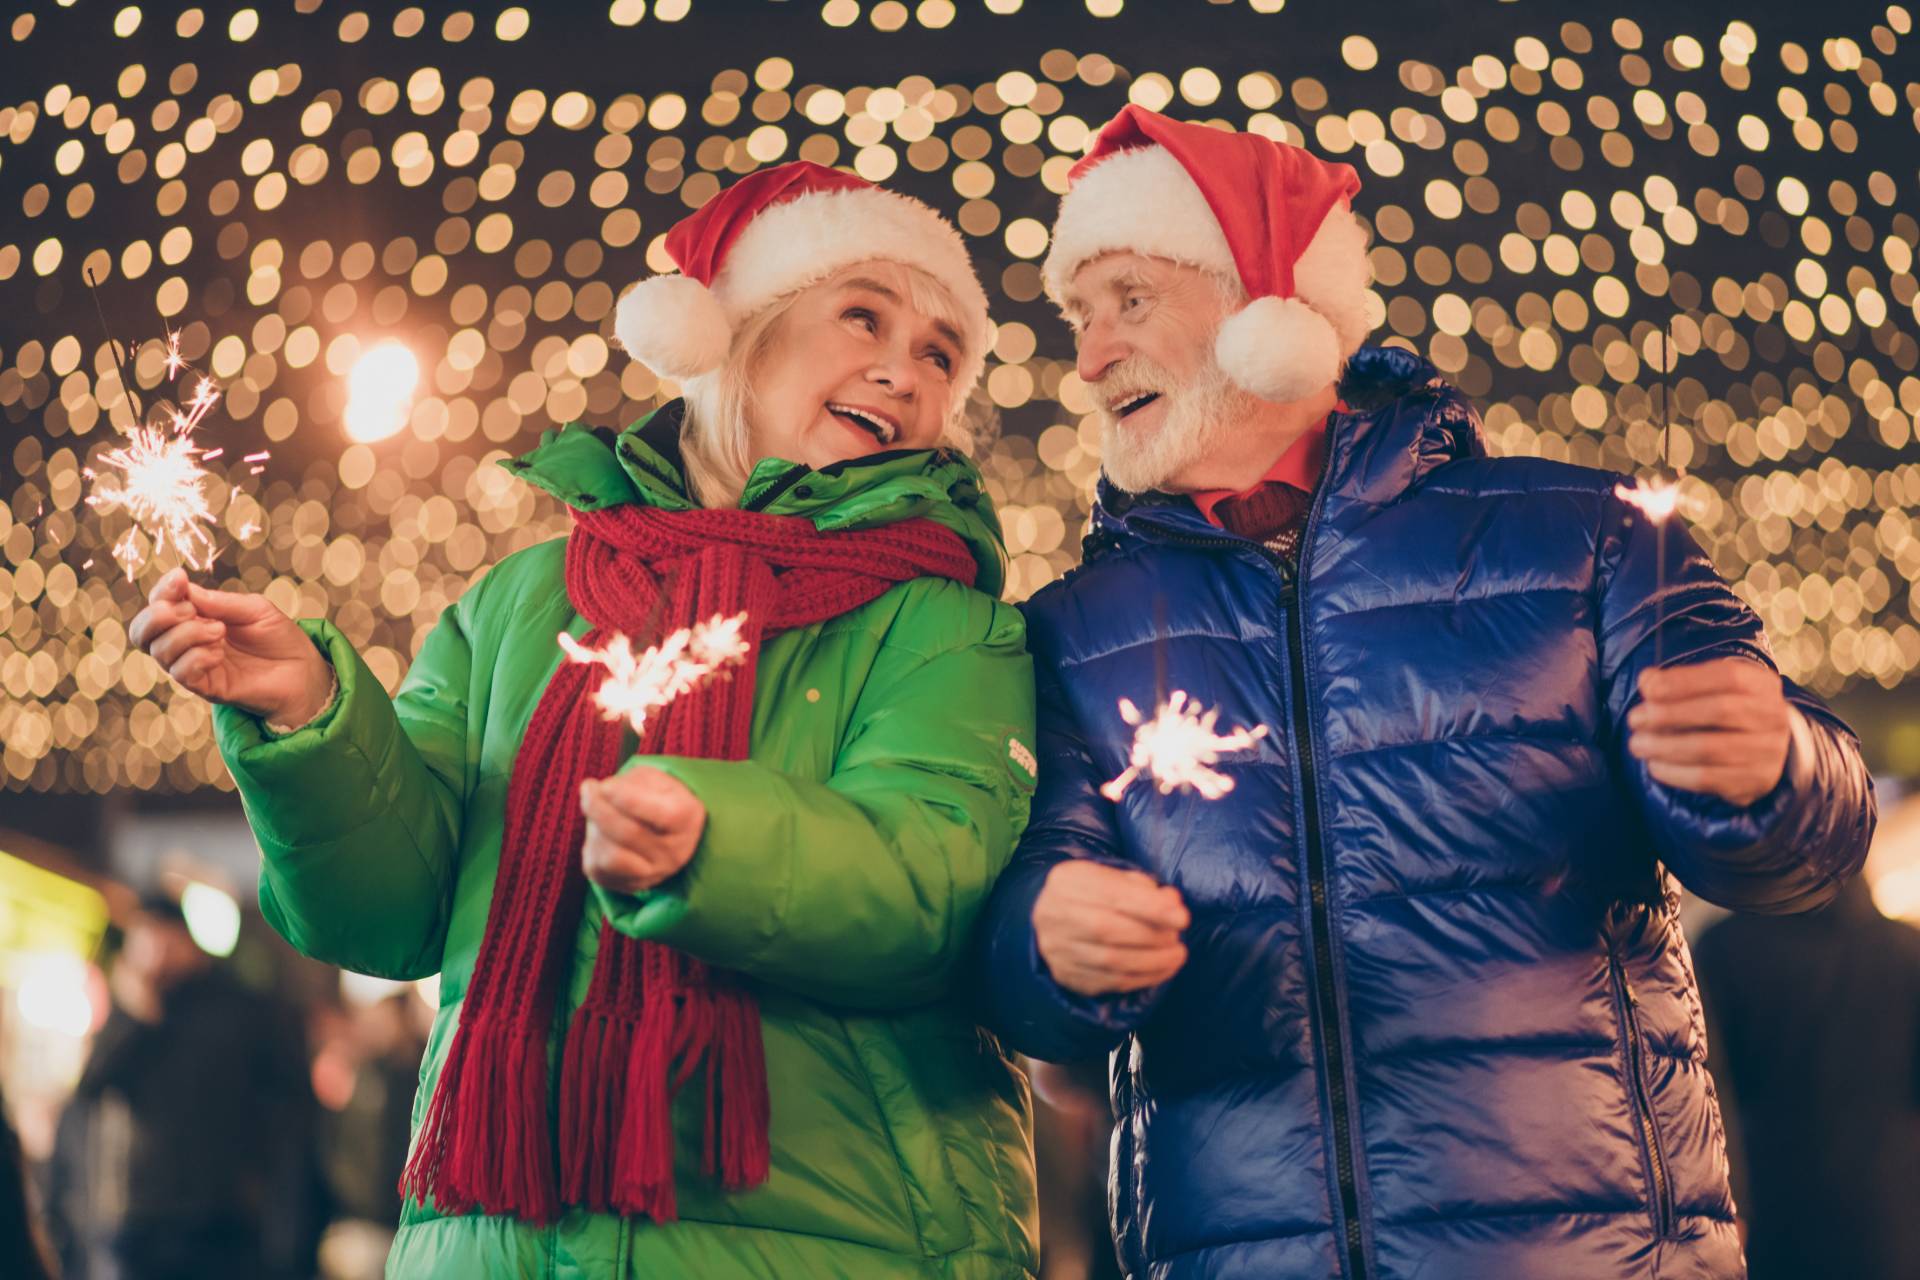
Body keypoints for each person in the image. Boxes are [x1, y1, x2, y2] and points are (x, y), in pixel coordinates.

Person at [976, 106, 1876, 1280]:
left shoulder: (1584, 539)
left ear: (1272, 306)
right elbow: (1020, 973)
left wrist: (1777, 769)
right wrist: (1045, 944)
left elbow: (1813, 840)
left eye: (1130, 301)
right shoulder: (1073, 634)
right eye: (1078, 319)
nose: (1089, 360)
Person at [130, 161, 1040, 1278]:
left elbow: (926, 886)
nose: (905, 366)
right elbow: (388, 914)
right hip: (495, 1236)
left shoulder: (945, 623)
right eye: (864, 315)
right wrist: (312, 718)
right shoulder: (520, 603)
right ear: (739, 336)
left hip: (834, 1236)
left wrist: (715, 842)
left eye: (941, 353)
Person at [43, 893, 320, 1280]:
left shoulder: (237, 1008)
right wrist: (139, 1013)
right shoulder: (134, 1016)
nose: (155, 955)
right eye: (144, 943)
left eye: (163, 940)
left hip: (221, 1220)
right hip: (140, 1221)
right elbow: (91, 1087)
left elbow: (287, 1111)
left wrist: (278, 1210)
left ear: (187, 941)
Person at [1694, 875, 1920, 1278]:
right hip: (1893, 1225)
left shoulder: (1721, 953)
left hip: (1777, 1226)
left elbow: (1711, 1105)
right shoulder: (1909, 952)